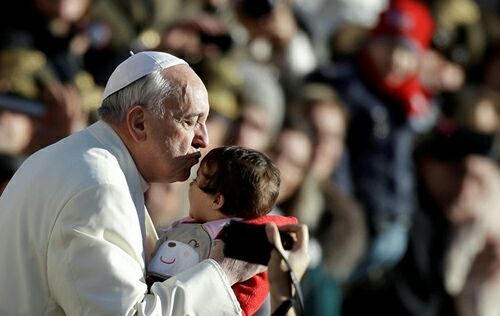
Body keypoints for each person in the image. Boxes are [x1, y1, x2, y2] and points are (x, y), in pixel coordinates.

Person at [0, 51, 279, 315]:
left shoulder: (78, 159)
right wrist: (222, 274)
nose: (203, 140)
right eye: (189, 121)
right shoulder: (101, 186)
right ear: (139, 123)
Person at [147, 145, 297, 315]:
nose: (190, 184)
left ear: (217, 200)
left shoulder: (231, 247)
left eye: (196, 181)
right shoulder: (190, 225)